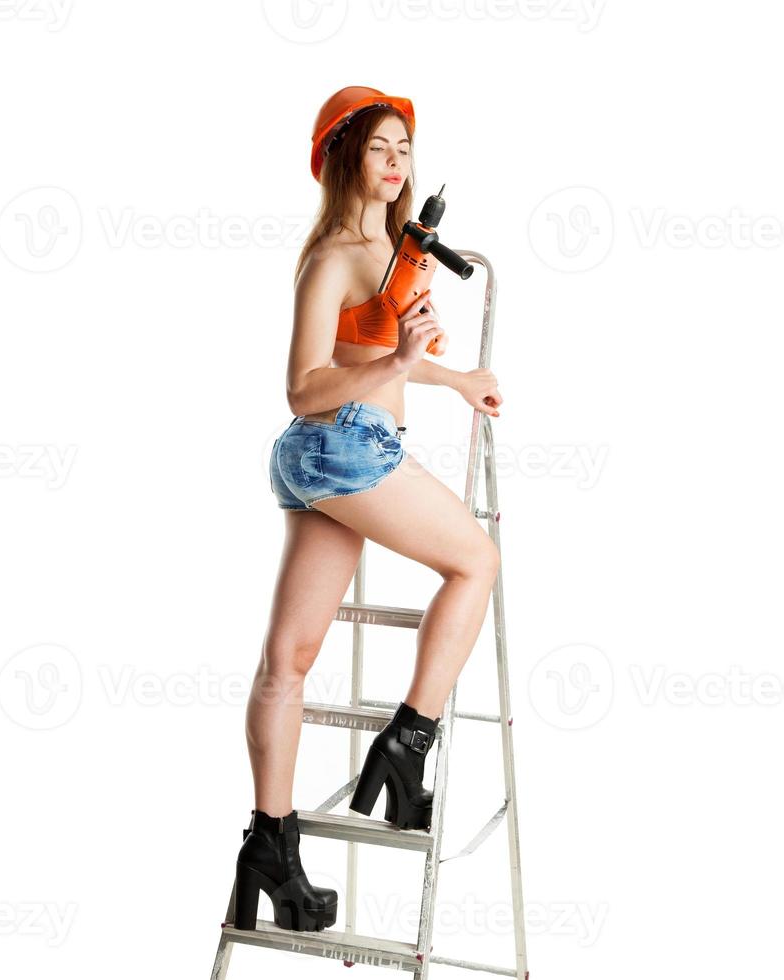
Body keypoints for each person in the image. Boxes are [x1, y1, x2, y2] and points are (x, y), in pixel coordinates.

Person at [230, 86, 504, 933]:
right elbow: (306, 384)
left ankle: (268, 849)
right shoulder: (339, 252)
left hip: (325, 460)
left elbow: (371, 351)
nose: (399, 165)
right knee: (477, 563)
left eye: (406, 151)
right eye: (383, 148)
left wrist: (451, 378)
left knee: (291, 654)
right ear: (345, 156)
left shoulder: (386, 249)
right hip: (344, 446)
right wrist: (397, 368)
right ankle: (407, 742)